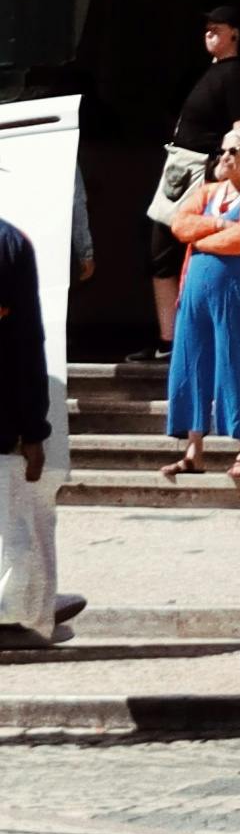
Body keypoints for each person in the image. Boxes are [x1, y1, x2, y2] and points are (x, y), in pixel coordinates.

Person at [160, 122, 240, 486]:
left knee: (237, 363)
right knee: (192, 362)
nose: (225, 157)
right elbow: (180, 225)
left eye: (234, 152)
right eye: (223, 151)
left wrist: (202, 239)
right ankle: (193, 449)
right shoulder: (207, 191)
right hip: (195, 292)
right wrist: (215, 226)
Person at [149, 16, 240, 374]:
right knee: (161, 253)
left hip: (203, 172)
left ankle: (195, 340)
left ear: (235, 33)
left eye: (217, 28)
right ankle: (168, 341)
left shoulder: (235, 75)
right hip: (179, 168)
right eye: (206, 27)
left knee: (202, 256)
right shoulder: (206, 71)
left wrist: (226, 176)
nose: (209, 33)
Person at [0, 185, 66, 655]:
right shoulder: (10, 243)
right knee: (10, 531)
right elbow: (26, 341)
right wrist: (34, 429)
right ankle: (13, 619)